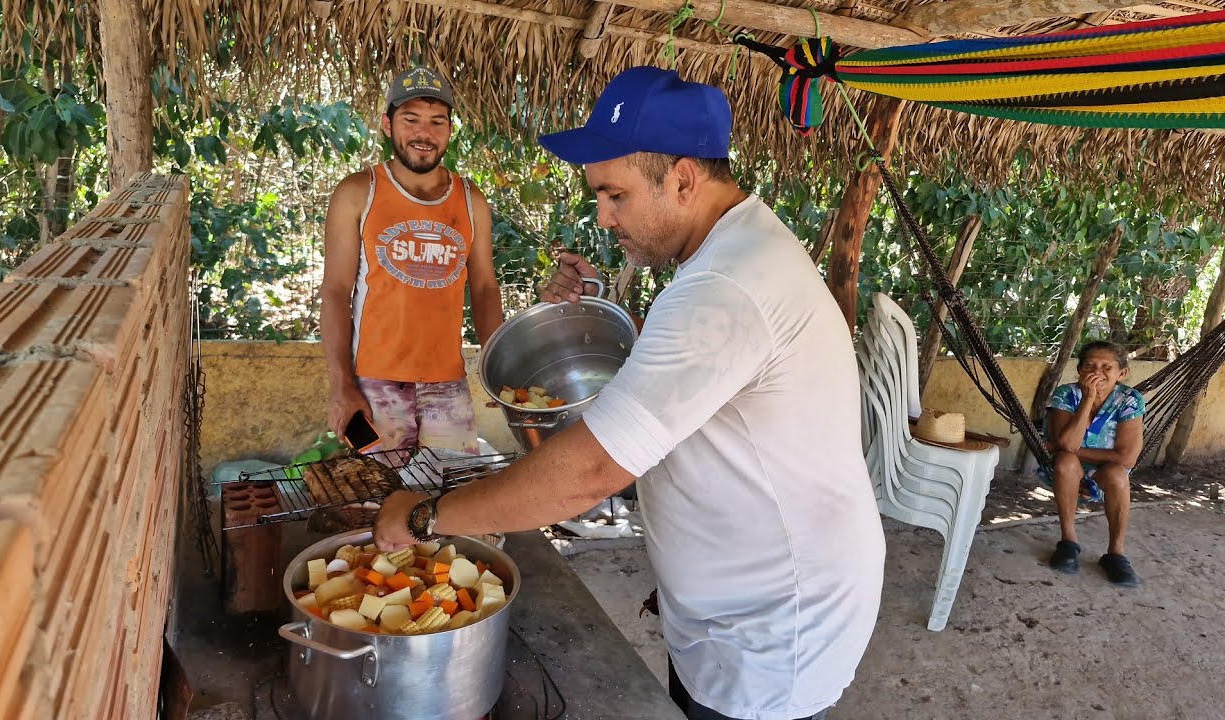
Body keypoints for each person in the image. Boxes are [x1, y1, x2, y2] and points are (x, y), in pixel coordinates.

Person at [374, 66, 884, 720]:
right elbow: (705, 375)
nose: (603, 216)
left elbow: (588, 474)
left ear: (682, 179)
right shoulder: (737, 252)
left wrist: (426, 516)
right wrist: (597, 307)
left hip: (768, 631)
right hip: (735, 602)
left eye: (614, 195)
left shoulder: (723, 287)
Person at [320, 66, 503, 454]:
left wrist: (497, 367)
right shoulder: (358, 193)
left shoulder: (471, 201)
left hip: (447, 385)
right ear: (388, 124)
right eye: (411, 119)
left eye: (438, 121)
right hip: (373, 384)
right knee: (376, 501)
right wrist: (341, 385)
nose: (425, 133)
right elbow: (336, 291)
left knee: (452, 498)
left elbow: (485, 288)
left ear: (450, 130)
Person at [1042, 341, 1145, 586]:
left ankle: (1116, 554)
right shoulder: (1066, 395)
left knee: (1118, 474)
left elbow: (1127, 458)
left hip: (1107, 473)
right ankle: (1068, 542)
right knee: (1066, 461)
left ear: (1122, 373)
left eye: (1106, 367)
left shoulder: (1129, 400)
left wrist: (1074, 449)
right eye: (1090, 365)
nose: (1097, 372)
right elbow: (1067, 445)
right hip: (1066, 470)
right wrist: (1088, 398)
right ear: (1079, 370)